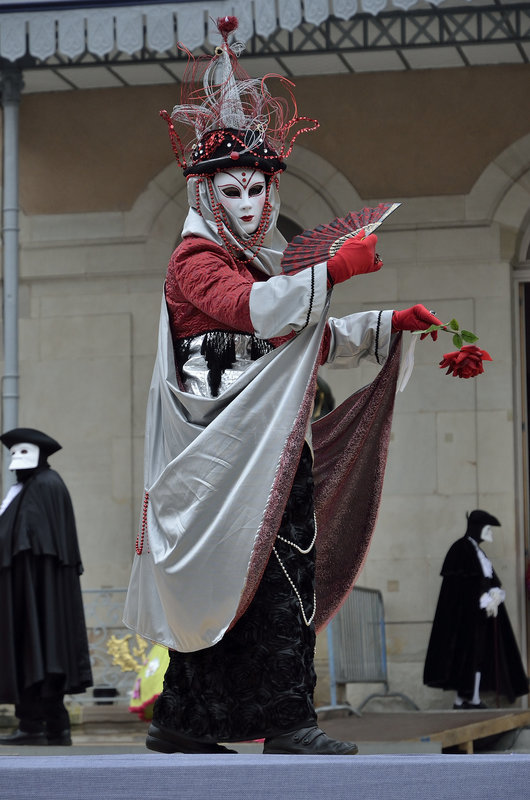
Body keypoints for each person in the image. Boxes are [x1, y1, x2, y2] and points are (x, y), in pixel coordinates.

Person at [124, 16, 440, 755]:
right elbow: (256, 317)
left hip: (268, 451)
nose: (247, 204)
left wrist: (390, 322)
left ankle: (196, 722)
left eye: (258, 189)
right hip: (215, 461)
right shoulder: (196, 265)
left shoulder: (262, 267)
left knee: (274, 579)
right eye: (231, 190)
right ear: (205, 195)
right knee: (234, 583)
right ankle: (263, 722)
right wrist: (328, 271)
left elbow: (305, 340)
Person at [0, 428, 93, 746]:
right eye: (12, 454)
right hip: (28, 589)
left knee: (41, 651)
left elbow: (31, 540)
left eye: (22, 453)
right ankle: (40, 725)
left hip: (40, 592)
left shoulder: (45, 486)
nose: (15, 460)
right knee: (33, 652)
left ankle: (43, 726)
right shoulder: (27, 488)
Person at [423, 509, 529, 708]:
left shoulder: (478, 552)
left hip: (480, 618)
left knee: (479, 657)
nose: (490, 533)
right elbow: (461, 589)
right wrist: (484, 600)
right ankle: (465, 699)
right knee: (466, 658)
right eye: (488, 528)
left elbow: (488, 580)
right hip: (465, 618)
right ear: (478, 528)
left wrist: (496, 595)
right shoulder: (461, 549)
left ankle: (470, 698)